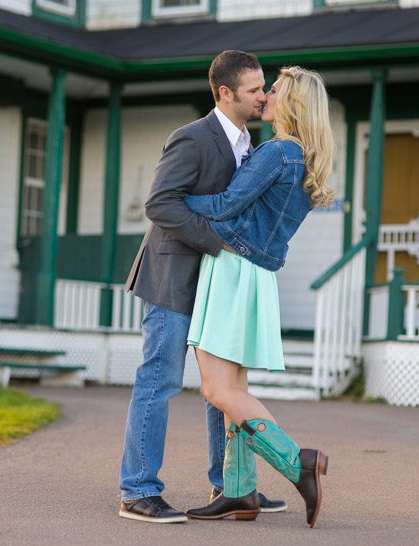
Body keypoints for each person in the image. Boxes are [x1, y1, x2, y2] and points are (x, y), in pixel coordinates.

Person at [118, 50, 288, 524]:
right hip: (173, 277)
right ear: (225, 93)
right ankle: (138, 491)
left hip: (220, 284)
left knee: (223, 388)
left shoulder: (253, 145)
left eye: (263, 88)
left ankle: (230, 485)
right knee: (160, 379)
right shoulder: (191, 138)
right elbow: (160, 204)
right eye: (255, 89)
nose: (263, 95)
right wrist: (216, 243)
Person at [182, 66, 335, 528]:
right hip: (256, 276)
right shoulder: (304, 157)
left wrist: (176, 201)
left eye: (275, 90)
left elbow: (227, 205)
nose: (265, 95)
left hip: (232, 269)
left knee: (216, 388)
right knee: (234, 390)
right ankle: (239, 492)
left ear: (291, 103)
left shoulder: (277, 152)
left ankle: (297, 462)